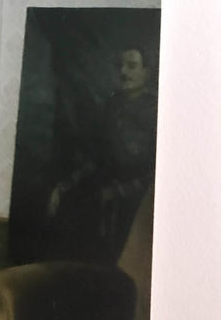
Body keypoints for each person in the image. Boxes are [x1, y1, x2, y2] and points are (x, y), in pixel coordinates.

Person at [46, 46, 158, 262]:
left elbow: (159, 169)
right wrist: (64, 186)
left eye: (132, 66)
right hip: (106, 188)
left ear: (147, 71)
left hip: (141, 197)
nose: (123, 72)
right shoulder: (113, 104)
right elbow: (98, 154)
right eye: (121, 66)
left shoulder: (158, 110)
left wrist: (122, 191)